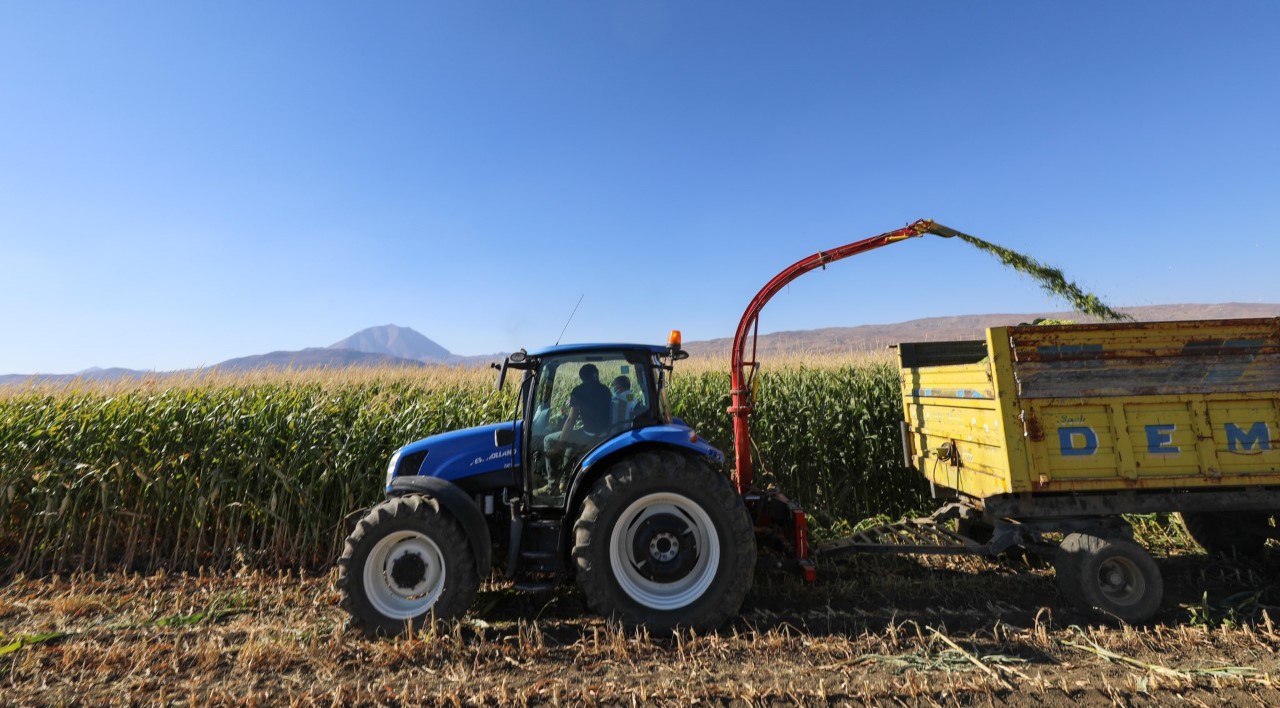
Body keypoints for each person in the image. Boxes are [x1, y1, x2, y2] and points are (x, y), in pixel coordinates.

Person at [538, 364, 611, 496]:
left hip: (589, 434)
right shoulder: (605, 389)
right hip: (604, 433)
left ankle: (552, 484)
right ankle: (564, 483)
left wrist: (561, 441)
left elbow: (571, 419)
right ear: (596, 375)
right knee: (571, 446)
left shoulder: (579, 391)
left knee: (548, 439)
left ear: (582, 377)